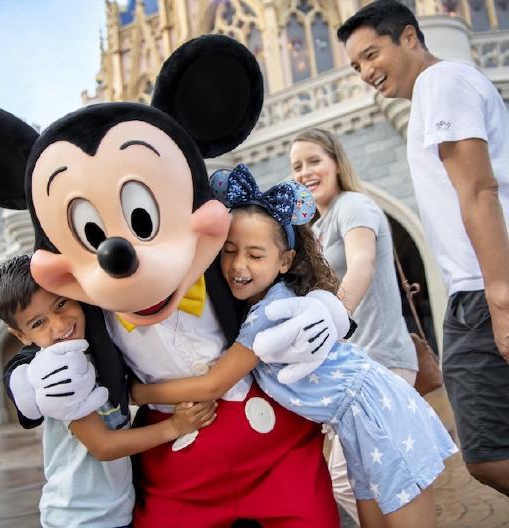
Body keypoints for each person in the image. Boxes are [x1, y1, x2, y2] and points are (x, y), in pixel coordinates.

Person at [131, 164, 457, 528]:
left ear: (285, 261)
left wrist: (138, 392)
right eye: (228, 250)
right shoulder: (258, 303)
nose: (238, 265)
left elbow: (213, 384)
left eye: (255, 255)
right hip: (355, 425)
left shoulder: (270, 311)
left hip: (378, 416)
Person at [337, 0, 509, 496]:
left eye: (372, 54)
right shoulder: (439, 91)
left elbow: (479, 190)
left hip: (483, 291)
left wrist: (499, 297)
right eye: (355, 65)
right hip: (474, 291)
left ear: (410, 37)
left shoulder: (440, 83)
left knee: (488, 453)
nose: (366, 71)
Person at [0, 254, 217, 528]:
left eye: (61, 304)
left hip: (111, 508)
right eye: (38, 323)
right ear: (21, 335)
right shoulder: (57, 375)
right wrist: (175, 427)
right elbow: (103, 446)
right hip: (80, 516)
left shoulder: (91, 353)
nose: (59, 325)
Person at [290, 127, 418, 522]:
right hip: (355, 371)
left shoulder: (353, 205)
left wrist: (331, 322)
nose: (305, 172)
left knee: (354, 480)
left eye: (314, 161)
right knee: (364, 483)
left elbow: (361, 263)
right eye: (296, 166)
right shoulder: (320, 223)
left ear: (335, 162)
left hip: (380, 360)